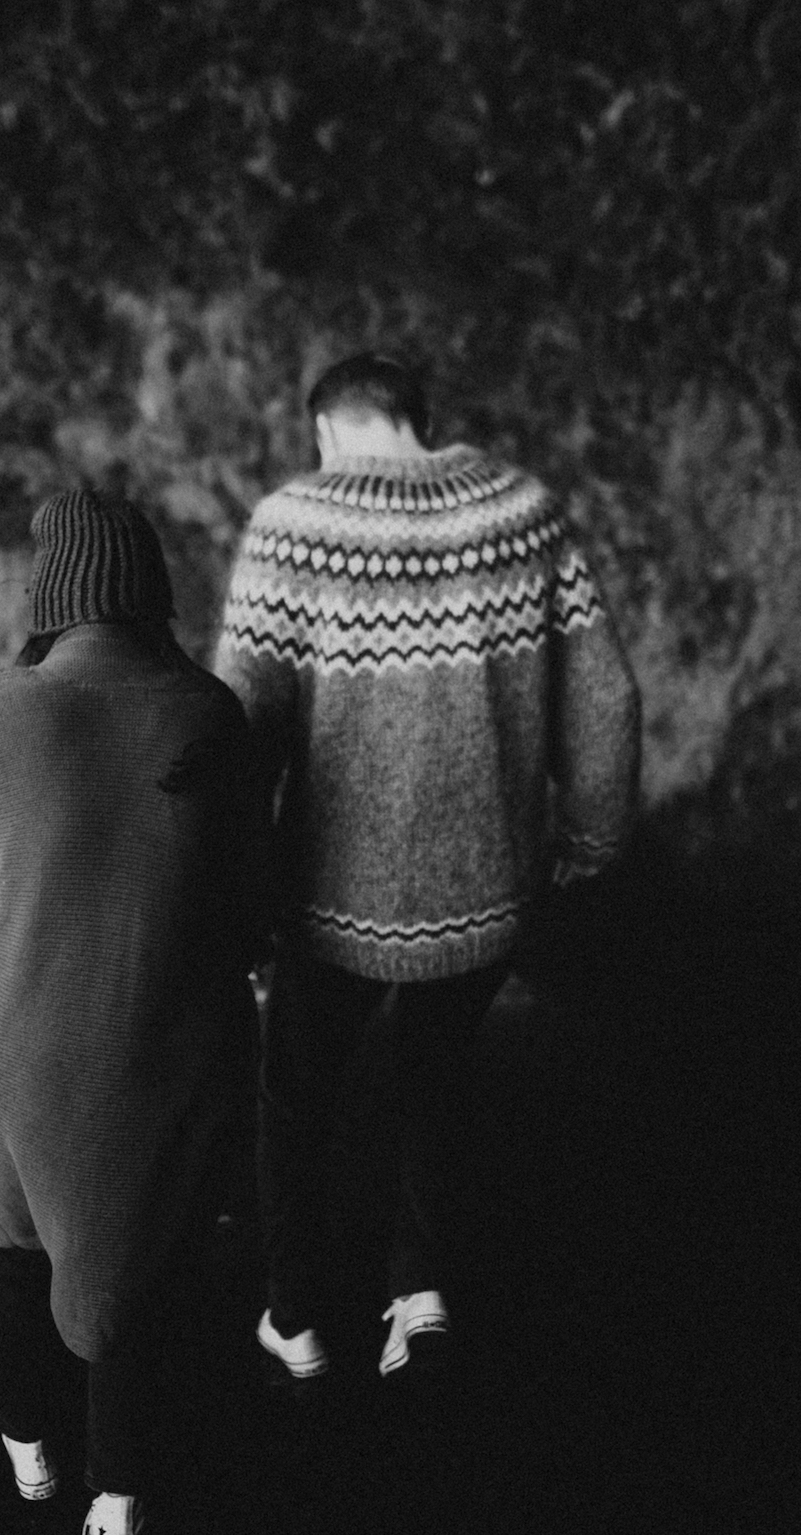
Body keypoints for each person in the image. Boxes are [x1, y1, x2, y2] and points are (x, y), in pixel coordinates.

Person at [213, 351, 640, 1381]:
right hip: (487, 895)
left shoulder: (294, 524)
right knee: (433, 1086)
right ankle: (419, 1296)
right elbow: (607, 699)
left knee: (295, 1099)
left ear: (327, 432)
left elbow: (240, 727)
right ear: (416, 419)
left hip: (329, 904)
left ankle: (297, 1315)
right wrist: (587, 842)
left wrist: (236, 882)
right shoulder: (522, 509)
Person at [0, 487, 260, 1535]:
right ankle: (116, 1518)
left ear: (52, 594)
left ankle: (28, 1457)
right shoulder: (211, 714)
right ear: (150, 592)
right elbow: (240, 901)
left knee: (13, 1236)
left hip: (30, 1034)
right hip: (167, 1043)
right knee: (131, 1272)